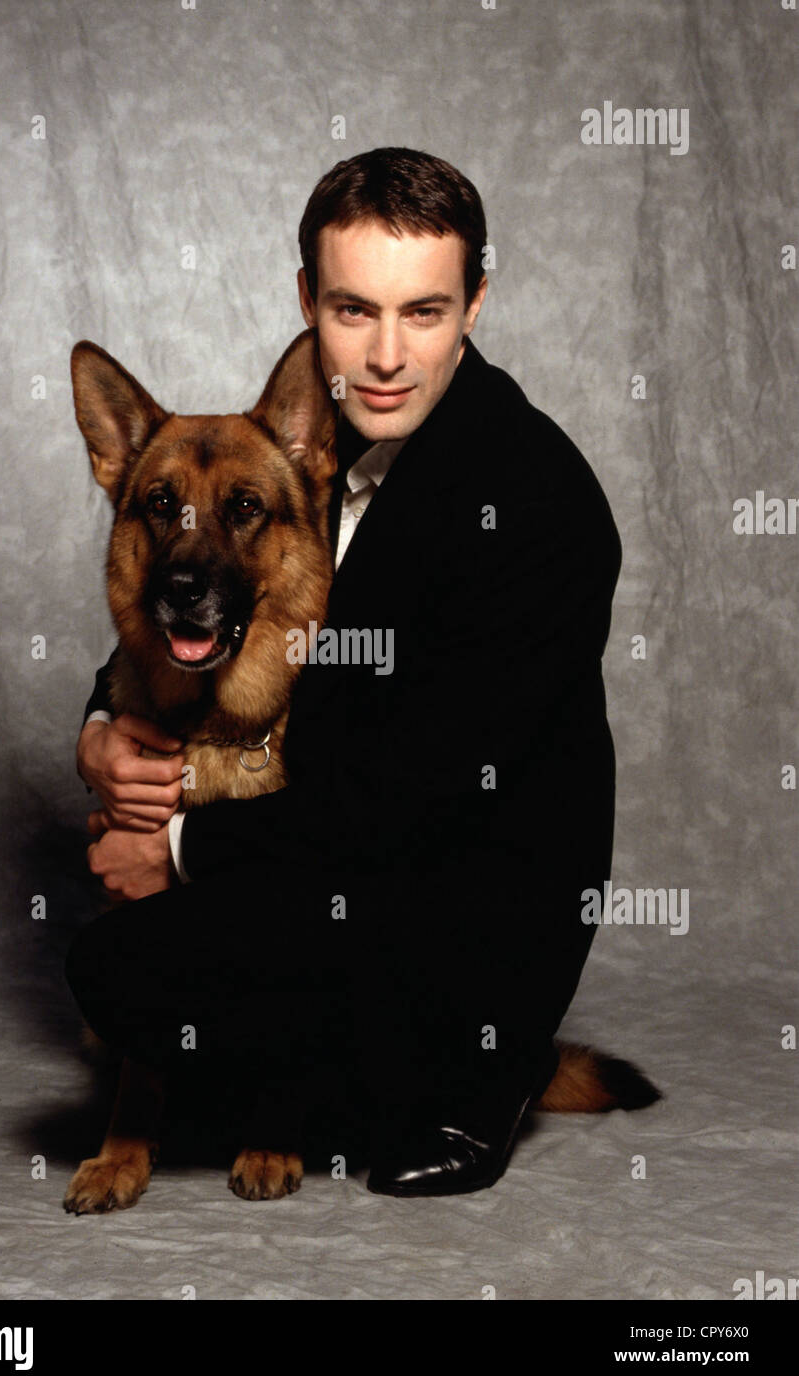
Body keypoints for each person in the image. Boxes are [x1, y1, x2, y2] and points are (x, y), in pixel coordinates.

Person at [65, 146, 622, 1197]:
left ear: (474, 304)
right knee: (115, 972)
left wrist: (177, 843)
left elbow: (413, 795)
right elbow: (188, 599)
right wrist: (103, 732)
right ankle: (303, 1070)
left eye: (423, 312)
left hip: (455, 904)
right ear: (306, 301)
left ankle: (476, 1080)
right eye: (352, 309)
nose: (383, 355)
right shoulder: (299, 452)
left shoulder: (534, 504)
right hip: (323, 851)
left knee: (132, 965)